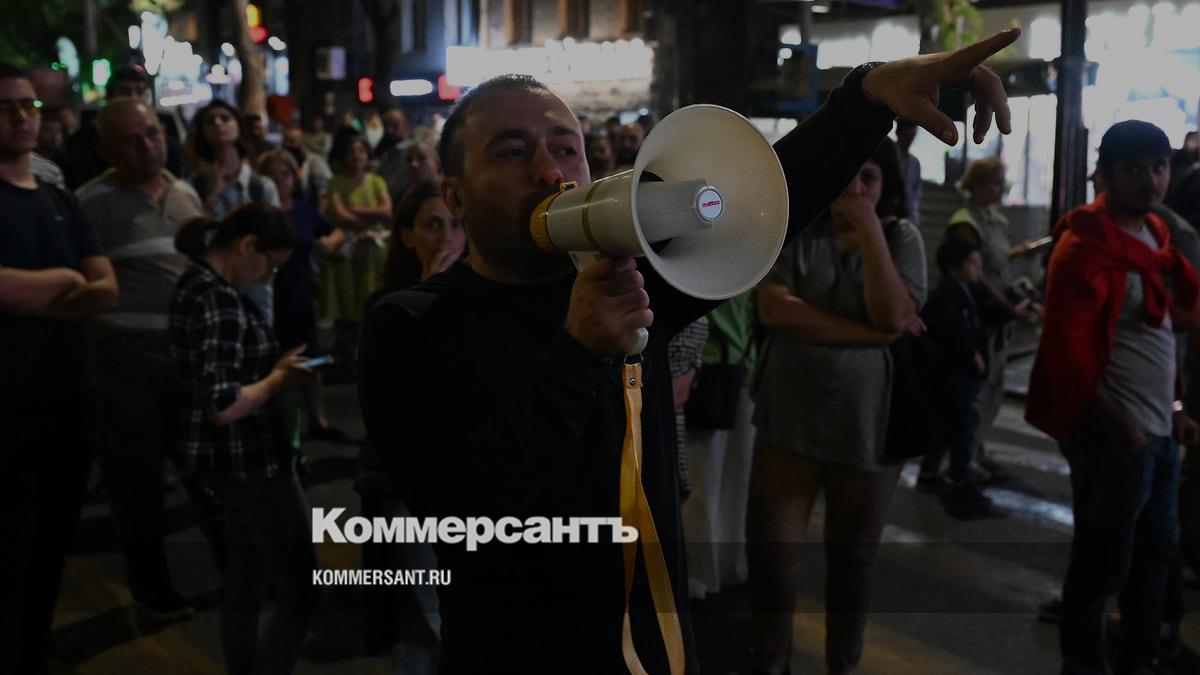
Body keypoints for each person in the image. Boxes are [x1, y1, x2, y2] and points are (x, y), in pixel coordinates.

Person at [358, 27, 1020, 673]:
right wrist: (577, 354)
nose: (550, 172)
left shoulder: (623, 280)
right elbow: (460, 509)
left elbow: (768, 198)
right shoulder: (412, 323)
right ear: (454, 194)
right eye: (511, 152)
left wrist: (869, 96)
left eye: (566, 148)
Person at [1027, 120, 1200, 675]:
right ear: (1104, 174)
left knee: (1155, 558)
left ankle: (1141, 657)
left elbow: (1157, 331)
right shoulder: (1082, 247)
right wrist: (1122, 428)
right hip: (1116, 437)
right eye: (1134, 169)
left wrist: (1175, 409)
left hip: (1158, 432)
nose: (1151, 180)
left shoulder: (1155, 234)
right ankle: (1084, 665)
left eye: (1159, 166)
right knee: (1100, 567)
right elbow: (1066, 354)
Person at [750, 137, 926, 674]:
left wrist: (868, 228)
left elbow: (893, 312)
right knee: (773, 555)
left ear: (886, 185)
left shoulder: (901, 237)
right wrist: (868, 336)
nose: (854, 188)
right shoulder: (797, 230)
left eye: (868, 177)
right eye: (846, 175)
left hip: (867, 424)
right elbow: (775, 309)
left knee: (852, 559)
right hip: (789, 417)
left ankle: (842, 664)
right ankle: (770, 661)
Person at [0, 61, 118, 675]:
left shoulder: (58, 199)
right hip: (9, 400)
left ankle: (33, 649)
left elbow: (107, 288)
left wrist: (33, 295)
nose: (22, 117)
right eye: (7, 108)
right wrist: (66, 281)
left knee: (53, 543)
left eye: (30, 105)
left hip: (72, 394)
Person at [169, 203, 320, 675]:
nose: (266, 277)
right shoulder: (219, 300)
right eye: (269, 264)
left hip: (227, 466)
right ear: (246, 245)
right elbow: (223, 403)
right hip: (252, 465)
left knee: (245, 581)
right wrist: (278, 381)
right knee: (302, 593)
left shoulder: (196, 284)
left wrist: (273, 371)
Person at [75, 97, 207, 617]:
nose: (147, 146)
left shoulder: (184, 192)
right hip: (126, 363)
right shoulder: (92, 204)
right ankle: (152, 590)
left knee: (204, 472)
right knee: (138, 486)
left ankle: (240, 577)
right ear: (108, 150)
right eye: (131, 140)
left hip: (188, 359)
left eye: (152, 133)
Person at [945, 157, 1036, 482]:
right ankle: (961, 458)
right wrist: (1008, 306)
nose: (1000, 190)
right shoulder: (965, 223)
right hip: (978, 314)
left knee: (992, 386)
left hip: (994, 314)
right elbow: (976, 275)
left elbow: (998, 263)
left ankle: (976, 448)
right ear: (977, 184)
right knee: (976, 390)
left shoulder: (990, 218)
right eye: (995, 183)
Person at [257, 149, 345, 443]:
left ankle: (317, 418)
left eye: (284, 174)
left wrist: (328, 243)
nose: (279, 181)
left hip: (299, 290)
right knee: (271, 355)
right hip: (268, 291)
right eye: (271, 175)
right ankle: (276, 422)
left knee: (310, 354)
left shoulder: (303, 209)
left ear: (294, 178)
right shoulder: (260, 214)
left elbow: (333, 231)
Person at [917, 237, 993, 516]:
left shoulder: (963, 290)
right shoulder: (948, 295)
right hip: (954, 374)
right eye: (972, 263)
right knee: (962, 426)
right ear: (953, 266)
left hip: (953, 374)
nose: (978, 270)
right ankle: (959, 478)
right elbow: (952, 333)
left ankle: (930, 473)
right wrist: (973, 355)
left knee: (945, 425)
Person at [189, 98, 282, 320]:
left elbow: (277, 239)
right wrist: (212, 193)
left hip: (255, 293)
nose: (218, 124)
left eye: (225, 118)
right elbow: (192, 238)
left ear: (239, 126)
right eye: (210, 121)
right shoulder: (194, 187)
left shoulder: (260, 187)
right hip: (210, 293)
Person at [320, 134, 392, 375]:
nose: (356, 155)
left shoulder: (376, 181)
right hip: (347, 252)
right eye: (351, 151)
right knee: (346, 302)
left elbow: (386, 211)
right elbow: (338, 214)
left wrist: (352, 210)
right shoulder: (336, 182)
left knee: (372, 299)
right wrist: (369, 222)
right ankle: (347, 360)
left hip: (372, 252)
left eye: (361, 150)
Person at [381, 180, 465, 290]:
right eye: (433, 225)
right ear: (407, 236)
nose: (446, 237)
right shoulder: (390, 299)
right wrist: (430, 288)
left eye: (455, 224)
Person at [282, 125, 333, 208]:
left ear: (301, 143)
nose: (287, 144)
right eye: (284, 141)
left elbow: (326, 189)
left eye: (291, 141)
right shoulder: (280, 161)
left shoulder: (314, 161)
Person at [895, 118, 921, 222]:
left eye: (913, 136)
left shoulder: (915, 163)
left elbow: (916, 191)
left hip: (908, 213)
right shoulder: (889, 155)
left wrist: (914, 213)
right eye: (908, 136)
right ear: (899, 133)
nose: (910, 140)